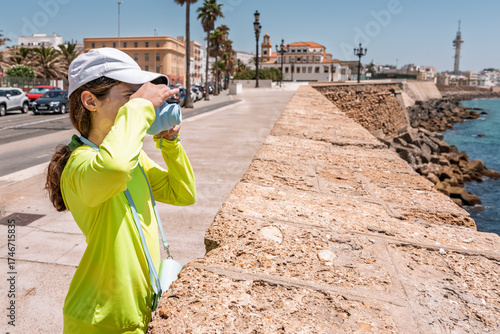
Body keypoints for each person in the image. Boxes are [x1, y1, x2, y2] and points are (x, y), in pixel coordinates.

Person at [45, 48, 196, 333]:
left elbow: (183, 192)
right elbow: (113, 169)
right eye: (130, 96)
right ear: (90, 101)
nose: (140, 104)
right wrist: (140, 108)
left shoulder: (132, 157)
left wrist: (170, 145)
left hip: (139, 312)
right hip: (99, 319)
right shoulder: (80, 165)